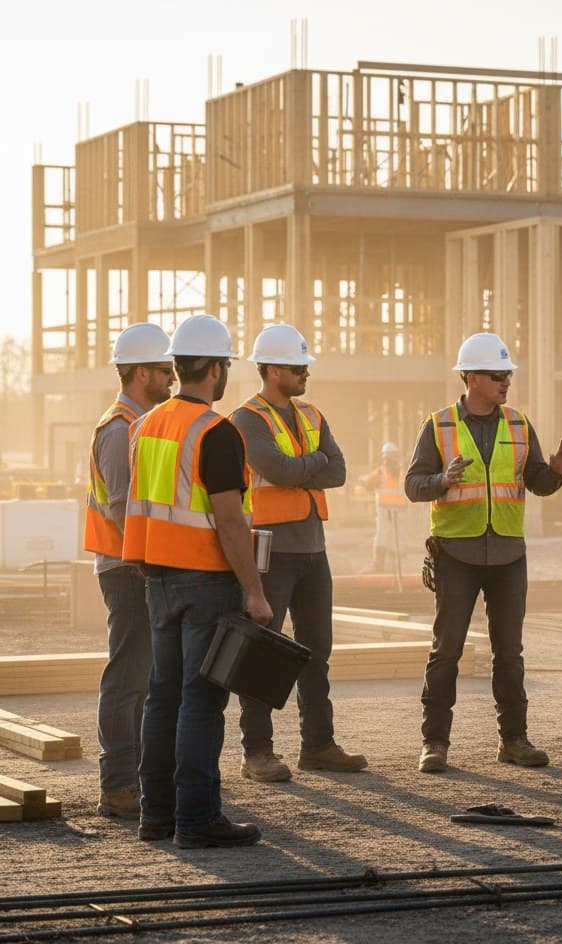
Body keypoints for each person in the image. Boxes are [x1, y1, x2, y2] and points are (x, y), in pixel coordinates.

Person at [123, 313, 273, 848]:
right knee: (201, 702)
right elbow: (230, 521)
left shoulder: (146, 425)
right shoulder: (216, 431)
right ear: (215, 369)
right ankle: (197, 819)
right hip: (207, 581)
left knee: (162, 697)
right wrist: (254, 591)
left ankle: (157, 815)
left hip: (157, 579)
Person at [405, 332, 562, 774]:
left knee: (510, 653)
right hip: (456, 554)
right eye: (498, 375)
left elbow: (537, 483)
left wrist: (555, 473)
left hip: (508, 555)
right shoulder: (439, 425)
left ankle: (514, 741)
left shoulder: (519, 425)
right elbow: (413, 485)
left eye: (507, 375)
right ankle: (434, 743)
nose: (506, 382)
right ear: (472, 379)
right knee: (447, 650)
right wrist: (441, 481)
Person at [231, 323, 366, 782]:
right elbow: (278, 470)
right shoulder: (247, 419)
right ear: (272, 370)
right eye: (297, 367)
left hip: (312, 547)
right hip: (271, 549)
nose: (306, 372)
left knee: (317, 651)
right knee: (262, 650)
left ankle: (318, 745)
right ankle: (257, 752)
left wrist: (302, 468)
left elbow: (339, 470)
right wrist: (313, 465)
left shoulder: (311, 414)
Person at [84, 323, 176, 820]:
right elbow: (122, 510)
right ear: (141, 373)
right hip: (127, 570)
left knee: (145, 677)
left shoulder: (142, 424)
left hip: (141, 566)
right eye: (165, 370)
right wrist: (150, 565)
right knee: (127, 678)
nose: (172, 378)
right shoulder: (120, 430)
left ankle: (140, 778)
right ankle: (118, 784)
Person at [358, 441, 407, 574]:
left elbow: (366, 482)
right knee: (396, 535)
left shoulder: (381, 471)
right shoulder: (401, 471)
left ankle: (378, 564)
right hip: (398, 508)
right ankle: (395, 565)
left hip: (385, 507)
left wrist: (362, 481)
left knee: (382, 534)